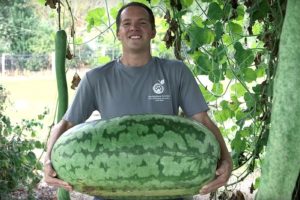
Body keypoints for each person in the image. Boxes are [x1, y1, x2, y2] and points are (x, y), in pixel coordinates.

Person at [44, 1, 233, 199]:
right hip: (111, 192)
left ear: (152, 32)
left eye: (142, 23)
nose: (134, 28)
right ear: (118, 33)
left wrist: (226, 160)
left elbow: (203, 121)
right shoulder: (96, 78)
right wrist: (49, 160)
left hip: (169, 191)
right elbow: (65, 124)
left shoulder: (176, 72)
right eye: (126, 23)